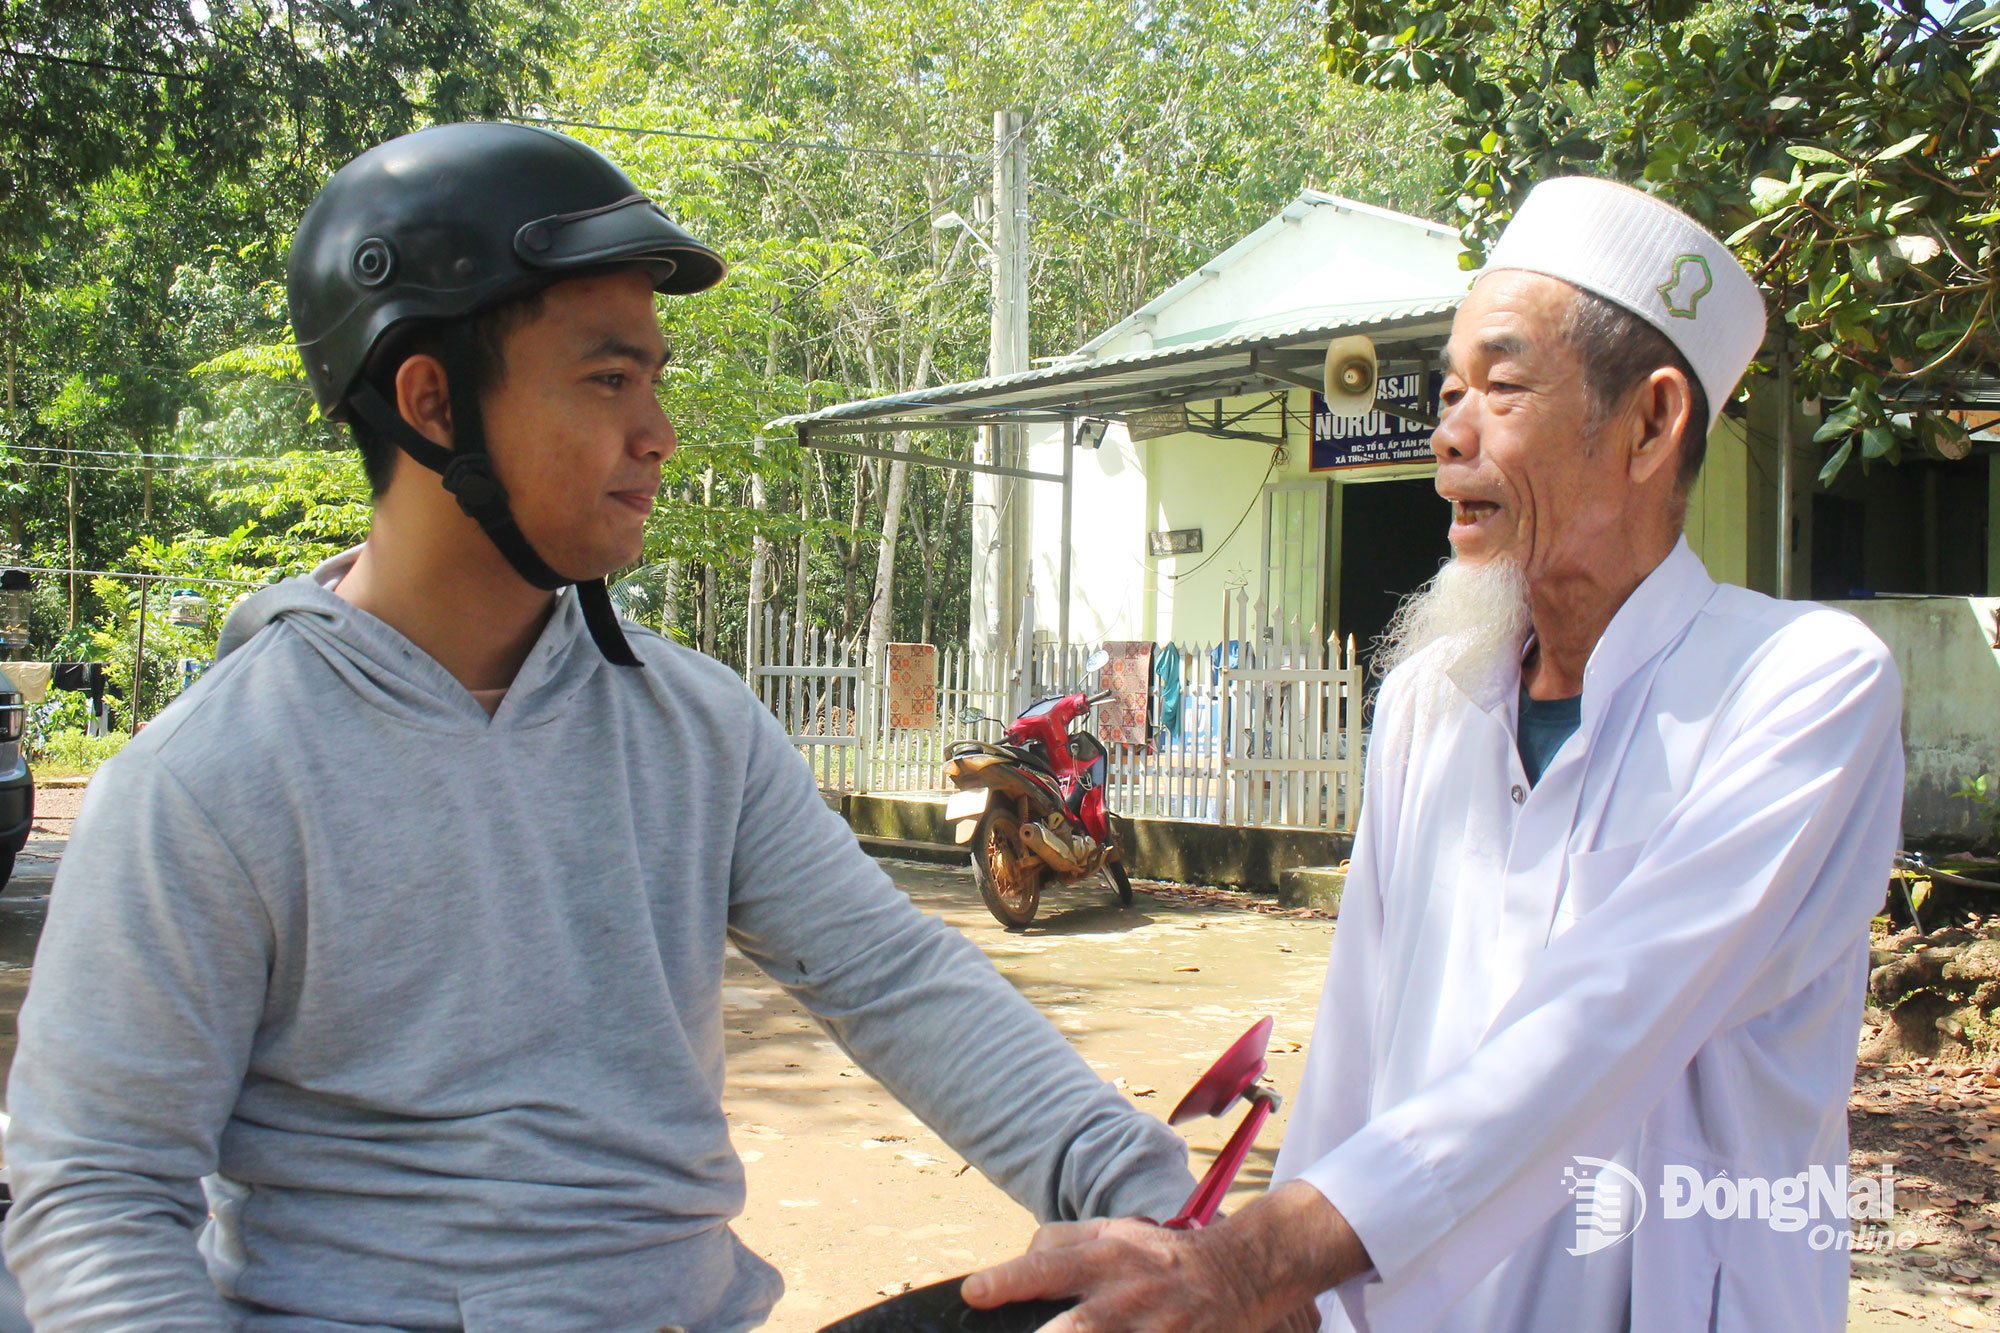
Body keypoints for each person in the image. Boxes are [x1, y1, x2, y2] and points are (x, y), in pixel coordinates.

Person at [1, 122, 1194, 1332]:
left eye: (655, 379)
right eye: (608, 379)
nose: (659, 432)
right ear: (431, 401)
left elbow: (897, 982)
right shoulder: (208, 781)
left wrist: (1155, 1210)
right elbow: (95, 1193)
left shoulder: (693, 729)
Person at [964, 176, 1904, 1331]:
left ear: (1651, 423)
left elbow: (1606, 1022)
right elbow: (1363, 1029)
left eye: (1501, 387)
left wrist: (1257, 1256)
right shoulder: (1427, 699)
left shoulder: (1801, 684)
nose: (1446, 429)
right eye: (1446, 388)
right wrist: (1295, 1299)